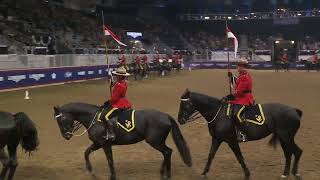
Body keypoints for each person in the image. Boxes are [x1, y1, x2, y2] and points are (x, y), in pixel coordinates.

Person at [99, 66, 132, 141]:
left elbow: (115, 98)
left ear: (120, 76)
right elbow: (114, 84)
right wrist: (110, 78)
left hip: (118, 104)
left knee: (105, 116)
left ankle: (111, 134)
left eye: (117, 75)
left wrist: (108, 102)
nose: (116, 76)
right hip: (124, 101)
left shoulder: (119, 86)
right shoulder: (122, 82)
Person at [226, 57, 254, 142]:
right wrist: (231, 76)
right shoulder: (243, 75)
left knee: (236, 114)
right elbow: (238, 81)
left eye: (238, 66)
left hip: (244, 100)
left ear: (242, 67)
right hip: (240, 98)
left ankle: (243, 134)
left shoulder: (244, 77)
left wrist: (231, 96)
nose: (237, 68)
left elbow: (239, 91)